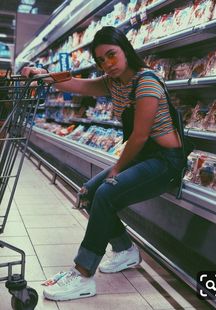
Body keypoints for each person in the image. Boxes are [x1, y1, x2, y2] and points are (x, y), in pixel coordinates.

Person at [21, 26, 186, 302]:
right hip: (143, 158)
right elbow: (75, 83)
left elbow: (140, 135)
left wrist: (116, 170)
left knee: (106, 193)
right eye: (100, 60)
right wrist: (43, 76)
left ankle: (83, 274)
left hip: (164, 162)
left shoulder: (146, 82)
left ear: (125, 50)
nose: (107, 64)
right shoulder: (114, 82)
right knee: (88, 192)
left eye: (111, 55)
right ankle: (125, 250)